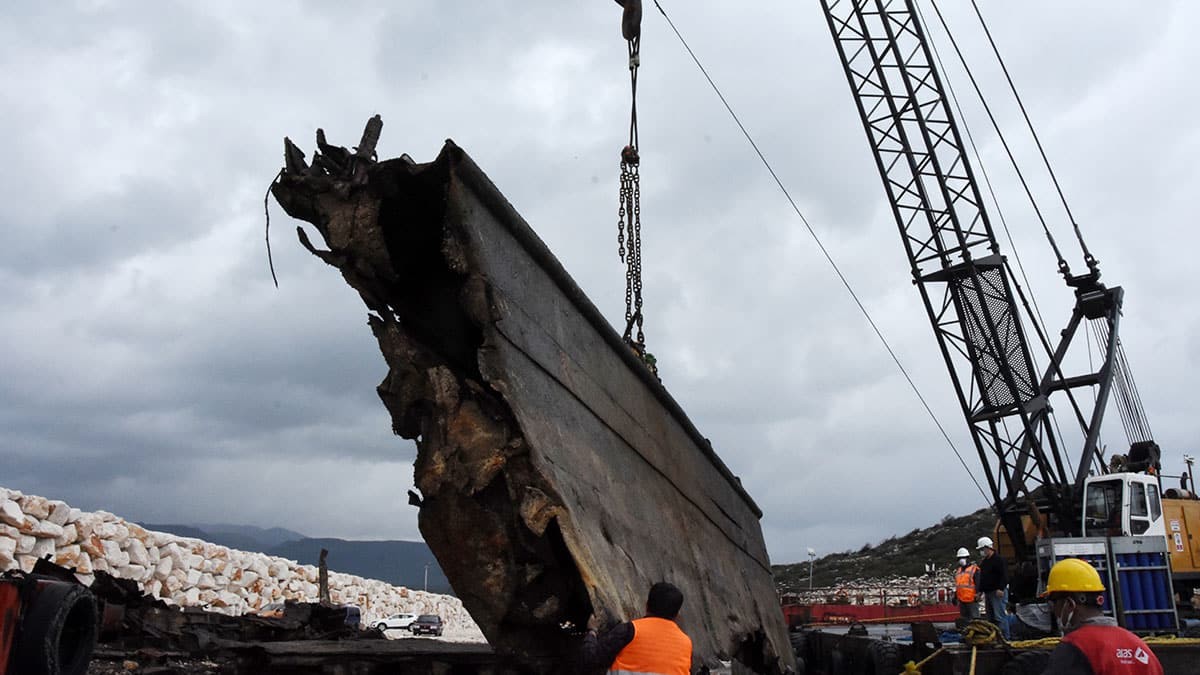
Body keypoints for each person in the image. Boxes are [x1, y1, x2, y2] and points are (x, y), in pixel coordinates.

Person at [1041, 558, 1163, 674]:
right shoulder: (1140, 647)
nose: (1054, 611)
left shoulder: (1073, 648)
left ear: (1069, 604)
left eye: (1054, 604)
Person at [581, 581, 693, 675]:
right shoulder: (686, 644)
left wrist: (592, 631)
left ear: (646, 605)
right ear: (677, 615)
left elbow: (591, 659)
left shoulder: (630, 630)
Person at [976, 536, 1009, 638]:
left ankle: (1005, 638)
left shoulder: (999, 560)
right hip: (988, 593)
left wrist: (1001, 588)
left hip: (997, 592)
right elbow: (983, 579)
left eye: (982, 549)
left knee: (999, 616)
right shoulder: (985, 562)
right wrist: (980, 592)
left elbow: (1004, 575)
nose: (981, 551)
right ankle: (994, 637)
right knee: (991, 618)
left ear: (987, 547)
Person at [953, 546, 980, 621]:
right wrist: (955, 597)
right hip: (962, 601)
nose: (961, 560)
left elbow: (978, 583)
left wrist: (978, 594)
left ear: (967, 558)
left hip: (972, 600)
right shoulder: (958, 571)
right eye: (960, 558)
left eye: (963, 557)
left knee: (975, 621)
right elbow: (958, 586)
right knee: (964, 621)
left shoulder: (974, 569)